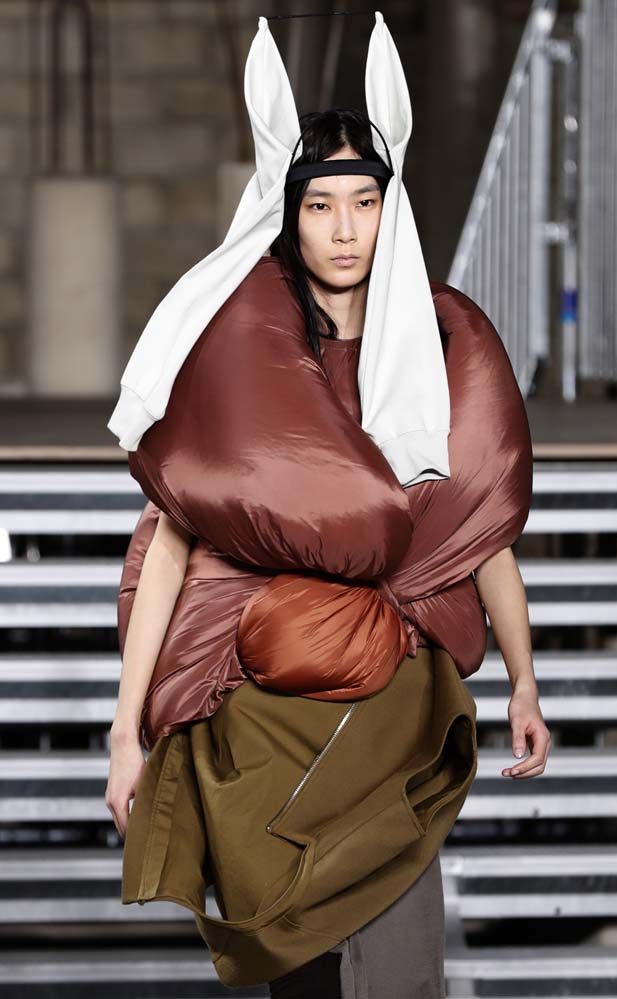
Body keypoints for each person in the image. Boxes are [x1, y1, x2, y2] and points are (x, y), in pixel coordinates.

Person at [106, 13, 551, 998]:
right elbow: (174, 541)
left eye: (364, 202)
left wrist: (521, 682)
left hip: (385, 718)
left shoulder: (438, 348)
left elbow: (477, 535)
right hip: (267, 722)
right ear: (285, 213)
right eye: (320, 206)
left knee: (397, 974)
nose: (344, 229)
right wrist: (125, 727)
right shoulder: (238, 360)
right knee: (298, 978)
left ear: (392, 210)